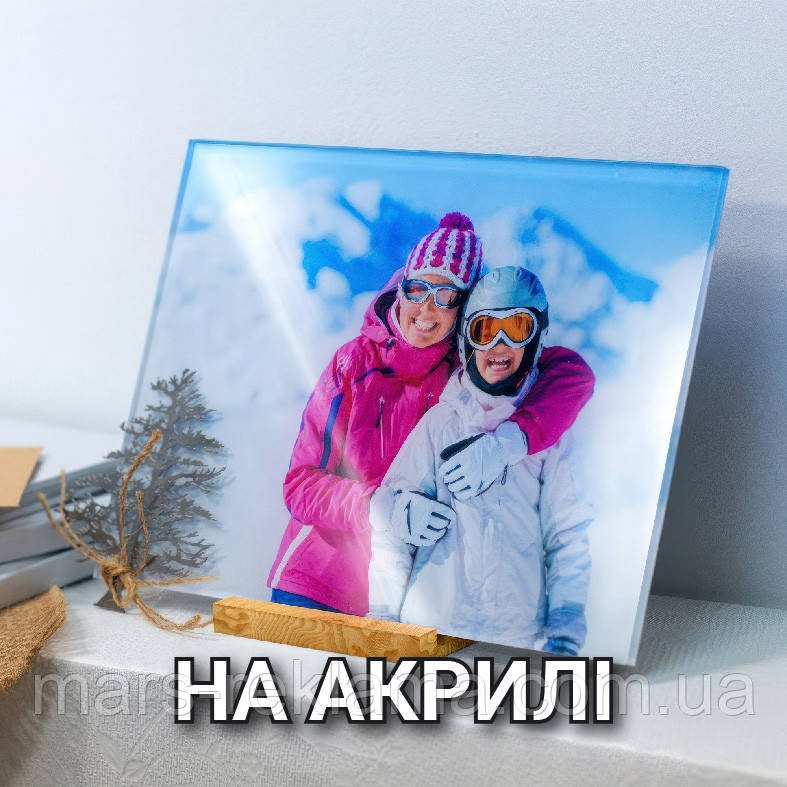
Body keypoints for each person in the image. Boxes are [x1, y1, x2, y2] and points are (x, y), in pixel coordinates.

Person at [267, 214, 595, 617]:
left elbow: (571, 375)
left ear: (464, 309)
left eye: (446, 295)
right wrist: (380, 507)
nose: (426, 308)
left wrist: (510, 442)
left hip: (407, 597)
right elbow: (300, 485)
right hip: (316, 585)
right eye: (418, 289)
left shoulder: (469, 369)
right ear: (402, 290)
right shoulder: (353, 364)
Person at [368, 266, 592, 654]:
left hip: (514, 635)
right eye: (485, 331)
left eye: (517, 328)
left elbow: (567, 535)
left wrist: (565, 625)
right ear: (467, 341)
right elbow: (392, 529)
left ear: (536, 338)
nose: (500, 344)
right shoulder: (442, 423)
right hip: (432, 628)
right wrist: (383, 615)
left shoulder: (548, 438)